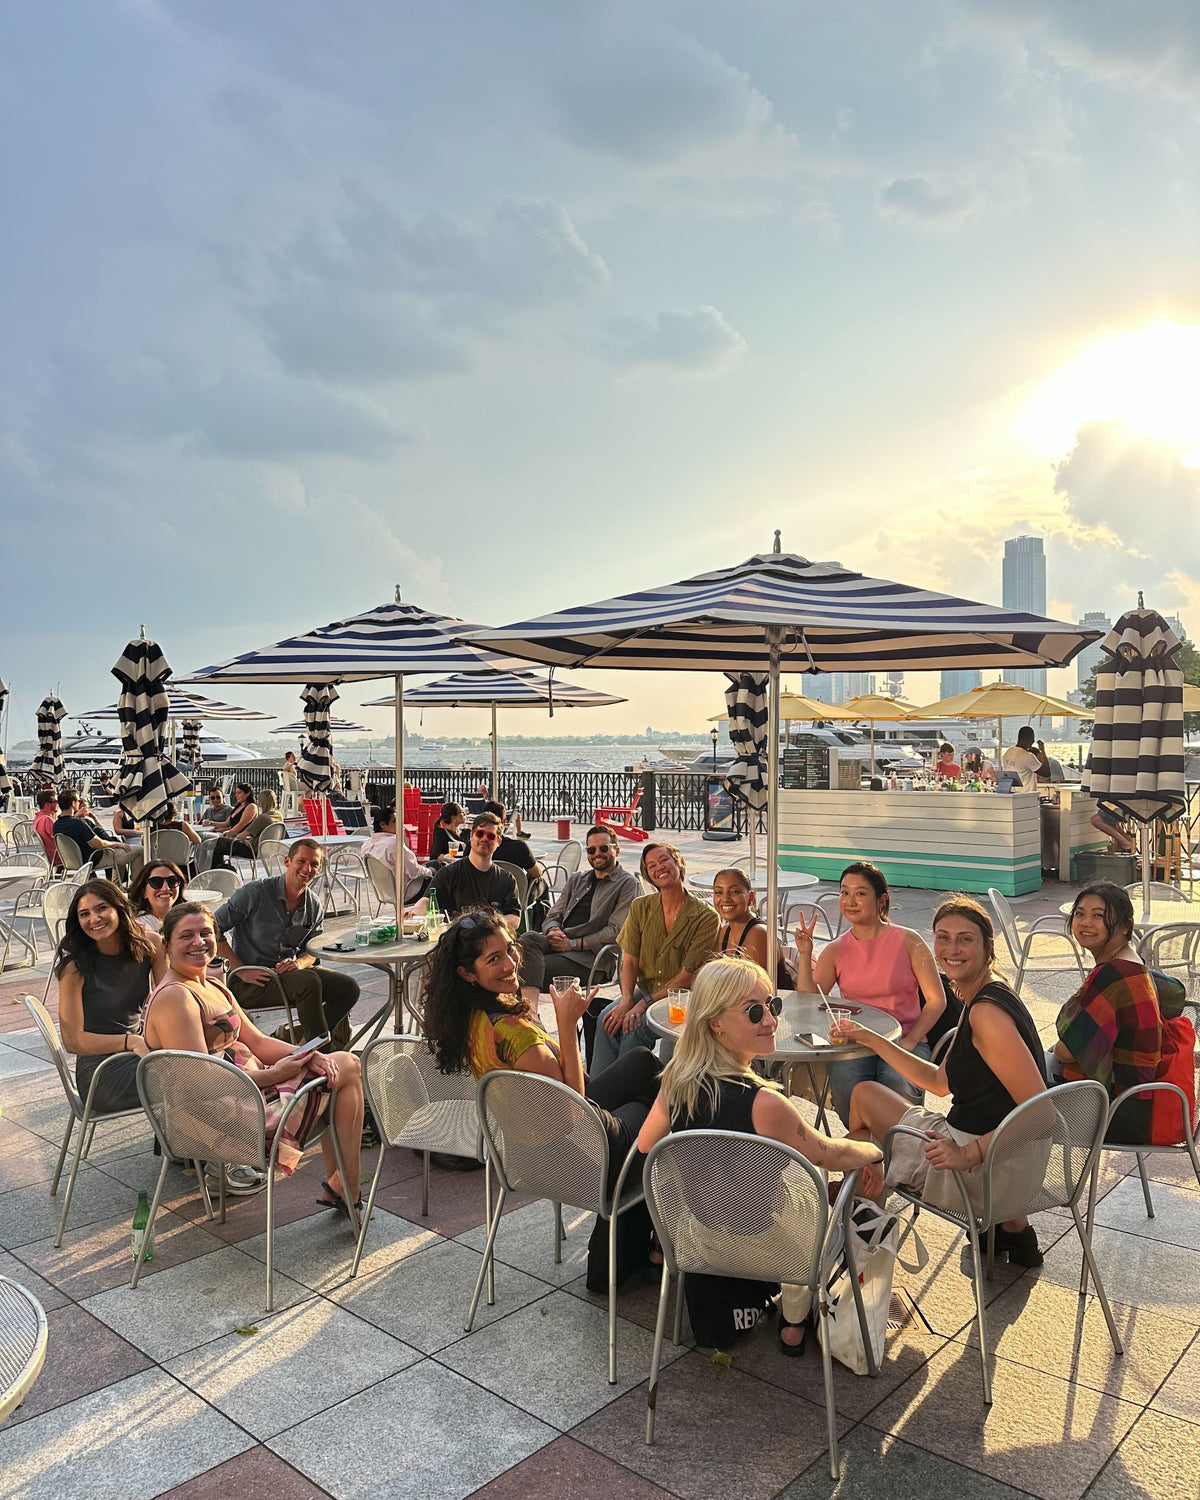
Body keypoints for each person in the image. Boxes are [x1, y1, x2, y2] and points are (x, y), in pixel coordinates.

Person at [637, 956, 885, 1352]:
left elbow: (648, 1147)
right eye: (754, 1012)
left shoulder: (675, 1083)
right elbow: (832, 1154)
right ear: (715, 1023)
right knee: (824, 1189)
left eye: (772, 1005)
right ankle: (793, 1323)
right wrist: (873, 1151)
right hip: (771, 1247)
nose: (770, 1020)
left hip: (698, 1240)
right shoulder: (766, 1105)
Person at [832, 895, 1050, 1266]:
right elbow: (938, 1082)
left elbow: (1042, 1113)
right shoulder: (985, 994)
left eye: (965, 939)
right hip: (1005, 1159)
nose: (952, 949)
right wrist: (870, 1038)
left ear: (987, 947)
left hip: (986, 1169)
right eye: (943, 938)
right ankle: (1014, 1230)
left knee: (863, 1107)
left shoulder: (985, 1014)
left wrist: (967, 1153)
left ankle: (860, 1245)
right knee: (866, 1096)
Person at [422, 909, 663, 1201]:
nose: (510, 963)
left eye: (510, 949)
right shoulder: (517, 1037)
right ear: (467, 973)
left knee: (643, 1060)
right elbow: (574, 1113)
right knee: (663, 1103)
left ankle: (625, 1234)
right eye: (493, 959)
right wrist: (567, 1023)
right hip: (580, 1166)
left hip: (524, 1154)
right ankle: (627, 1234)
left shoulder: (473, 1016)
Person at [143, 903, 363, 1214]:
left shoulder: (212, 985)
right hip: (218, 1119)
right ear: (167, 944)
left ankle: (343, 1187)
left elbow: (258, 1042)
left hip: (247, 1092)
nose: (198, 942)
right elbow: (200, 1081)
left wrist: (305, 1055)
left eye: (206, 933)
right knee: (345, 1074)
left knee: (340, 1068)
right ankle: (344, 1188)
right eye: (186, 936)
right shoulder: (176, 997)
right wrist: (274, 1075)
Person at [792, 861, 945, 1126]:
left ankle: (899, 1153)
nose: (850, 900)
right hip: (854, 1042)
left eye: (860, 893)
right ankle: (867, 1159)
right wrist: (805, 954)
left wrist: (910, 1042)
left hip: (905, 1039)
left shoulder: (908, 940)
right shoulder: (837, 949)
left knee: (896, 1084)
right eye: (844, 892)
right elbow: (810, 998)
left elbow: (936, 1001)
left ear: (881, 899)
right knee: (849, 1093)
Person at [1053, 883, 1180, 1144]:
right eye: (1080, 913)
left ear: (1124, 926)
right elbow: (1175, 994)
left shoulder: (1114, 975)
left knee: (1008, 1099)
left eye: (1099, 915)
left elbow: (1067, 1052)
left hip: (1115, 1112)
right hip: (1137, 1103)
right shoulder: (1136, 965)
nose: (1086, 922)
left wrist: (1057, 1046)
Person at [212, 838, 361, 1051]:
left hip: (289, 976)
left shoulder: (314, 905)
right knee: (308, 981)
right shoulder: (255, 892)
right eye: (301, 861)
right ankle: (320, 1054)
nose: (307, 869)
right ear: (287, 861)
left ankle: (305, 1045)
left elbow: (313, 950)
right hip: (249, 982)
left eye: (314, 864)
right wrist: (240, 970)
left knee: (348, 987)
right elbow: (213, 928)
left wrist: (299, 963)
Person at [591, 842, 721, 1074]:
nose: (659, 868)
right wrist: (626, 1000)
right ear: (648, 875)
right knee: (606, 1019)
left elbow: (685, 978)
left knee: (634, 1026)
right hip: (647, 987)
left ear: (680, 863)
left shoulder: (706, 916)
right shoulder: (641, 907)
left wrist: (643, 1004)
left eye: (664, 860)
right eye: (651, 866)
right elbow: (629, 960)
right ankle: (598, 1098)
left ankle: (627, 1098)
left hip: (682, 998)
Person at [519, 826, 639, 1055]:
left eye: (604, 848)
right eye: (591, 849)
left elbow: (615, 931)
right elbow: (553, 914)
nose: (597, 854)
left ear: (617, 849)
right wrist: (554, 930)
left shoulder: (627, 884)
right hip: (560, 944)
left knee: (520, 971)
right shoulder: (577, 879)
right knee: (528, 938)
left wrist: (574, 944)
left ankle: (539, 1032)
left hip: (591, 958)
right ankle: (532, 1015)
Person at [55, 880, 163, 1113]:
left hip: (140, 1053)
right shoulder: (75, 968)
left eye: (101, 908)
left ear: (118, 908)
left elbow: (170, 995)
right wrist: (131, 1041)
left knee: (217, 1058)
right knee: (192, 1077)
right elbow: (72, 1041)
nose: (93, 919)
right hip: (101, 1075)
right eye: (84, 914)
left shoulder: (149, 945)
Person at [421, 812, 521, 928]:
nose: (484, 839)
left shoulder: (507, 879)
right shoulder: (449, 873)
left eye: (491, 836)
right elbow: (427, 901)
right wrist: (413, 913)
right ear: (471, 836)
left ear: (498, 842)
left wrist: (486, 924)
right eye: (480, 833)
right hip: (457, 940)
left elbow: (514, 918)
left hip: (492, 941)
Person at [54, 788, 140, 880]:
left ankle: (117, 885)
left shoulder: (56, 825)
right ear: (73, 803)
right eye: (78, 801)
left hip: (73, 861)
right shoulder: (77, 823)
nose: (79, 803)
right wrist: (118, 844)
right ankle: (136, 885)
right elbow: (100, 844)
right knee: (140, 850)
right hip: (94, 858)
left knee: (116, 848)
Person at [362, 803, 431, 903]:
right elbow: (414, 873)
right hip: (407, 891)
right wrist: (430, 871)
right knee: (441, 871)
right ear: (382, 825)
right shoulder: (394, 843)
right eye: (395, 821)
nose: (400, 824)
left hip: (384, 891)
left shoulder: (367, 844)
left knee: (434, 864)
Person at [209, 786, 277, 871]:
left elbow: (241, 836)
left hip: (252, 850)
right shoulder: (278, 816)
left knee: (218, 845)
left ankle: (216, 873)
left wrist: (225, 837)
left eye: (239, 793)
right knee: (219, 844)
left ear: (261, 802)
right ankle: (219, 872)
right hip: (268, 850)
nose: (236, 795)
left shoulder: (261, 818)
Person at [128, 861, 188, 932]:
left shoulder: (189, 919)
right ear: (144, 892)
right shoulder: (138, 928)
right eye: (156, 882)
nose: (166, 888)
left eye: (172, 881)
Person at [1001, 726, 1049, 791]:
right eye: (1032, 739)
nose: (1033, 741)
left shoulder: (1008, 752)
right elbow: (1046, 773)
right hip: (1026, 795)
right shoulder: (1027, 756)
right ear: (1028, 739)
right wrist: (1042, 750)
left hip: (1012, 792)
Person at [32, 789, 58, 864]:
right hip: (57, 856)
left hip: (47, 856)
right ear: (47, 805)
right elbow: (60, 839)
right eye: (56, 802)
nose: (58, 804)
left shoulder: (38, 818)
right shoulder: (47, 820)